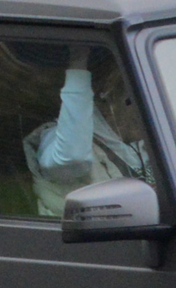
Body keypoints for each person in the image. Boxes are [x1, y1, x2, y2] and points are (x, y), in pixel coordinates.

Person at [22, 46, 148, 215]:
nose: (148, 111)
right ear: (107, 97)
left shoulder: (143, 145)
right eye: (134, 100)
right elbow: (72, 156)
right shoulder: (55, 139)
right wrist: (78, 65)